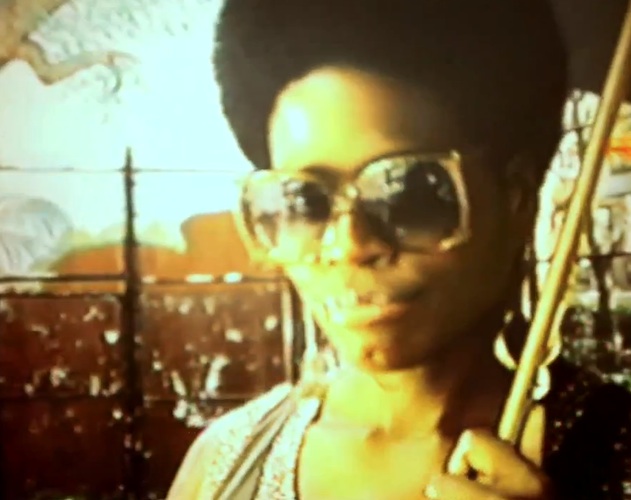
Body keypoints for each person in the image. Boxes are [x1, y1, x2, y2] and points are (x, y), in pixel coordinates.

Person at [168, 1, 631, 498]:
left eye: (410, 194)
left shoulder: (617, 451)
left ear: (515, 197)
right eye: (304, 200)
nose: (350, 245)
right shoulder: (222, 466)